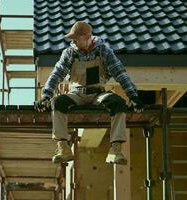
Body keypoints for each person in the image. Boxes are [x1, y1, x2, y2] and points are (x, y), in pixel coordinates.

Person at [34, 21, 144, 165]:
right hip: (76, 94)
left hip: (99, 93)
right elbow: (56, 75)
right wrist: (46, 96)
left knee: (118, 103)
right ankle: (63, 148)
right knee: (57, 102)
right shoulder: (69, 53)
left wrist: (133, 95)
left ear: (87, 37)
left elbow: (120, 74)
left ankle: (115, 150)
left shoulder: (104, 52)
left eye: (75, 38)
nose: (73, 41)